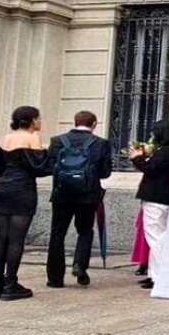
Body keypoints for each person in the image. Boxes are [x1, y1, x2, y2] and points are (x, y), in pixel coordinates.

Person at [0, 106, 54, 301]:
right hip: (22, 188)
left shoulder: (8, 138)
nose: (40, 121)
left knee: (2, 236)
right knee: (16, 239)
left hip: (3, 187)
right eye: (39, 118)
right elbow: (40, 167)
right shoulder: (32, 138)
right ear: (32, 120)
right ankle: (10, 284)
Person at [46, 110, 113, 288]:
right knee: (85, 231)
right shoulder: (101, 143)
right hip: (88, 195)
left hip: (62, 193)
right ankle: (80, 265)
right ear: (94, 124)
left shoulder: (57, 141)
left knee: (57, 233)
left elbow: (50, 166)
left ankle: (55, 278)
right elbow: (105, 172)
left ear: (75, 122)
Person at [129, 121, 169, 290]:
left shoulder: (167, 151)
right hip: (163, 198)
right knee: (158, 237)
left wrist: (137, 158)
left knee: (155, 238)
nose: (152, 137)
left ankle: (161, 276)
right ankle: (153, 274)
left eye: (154, 133)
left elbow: (151, 169)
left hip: (157, 198)